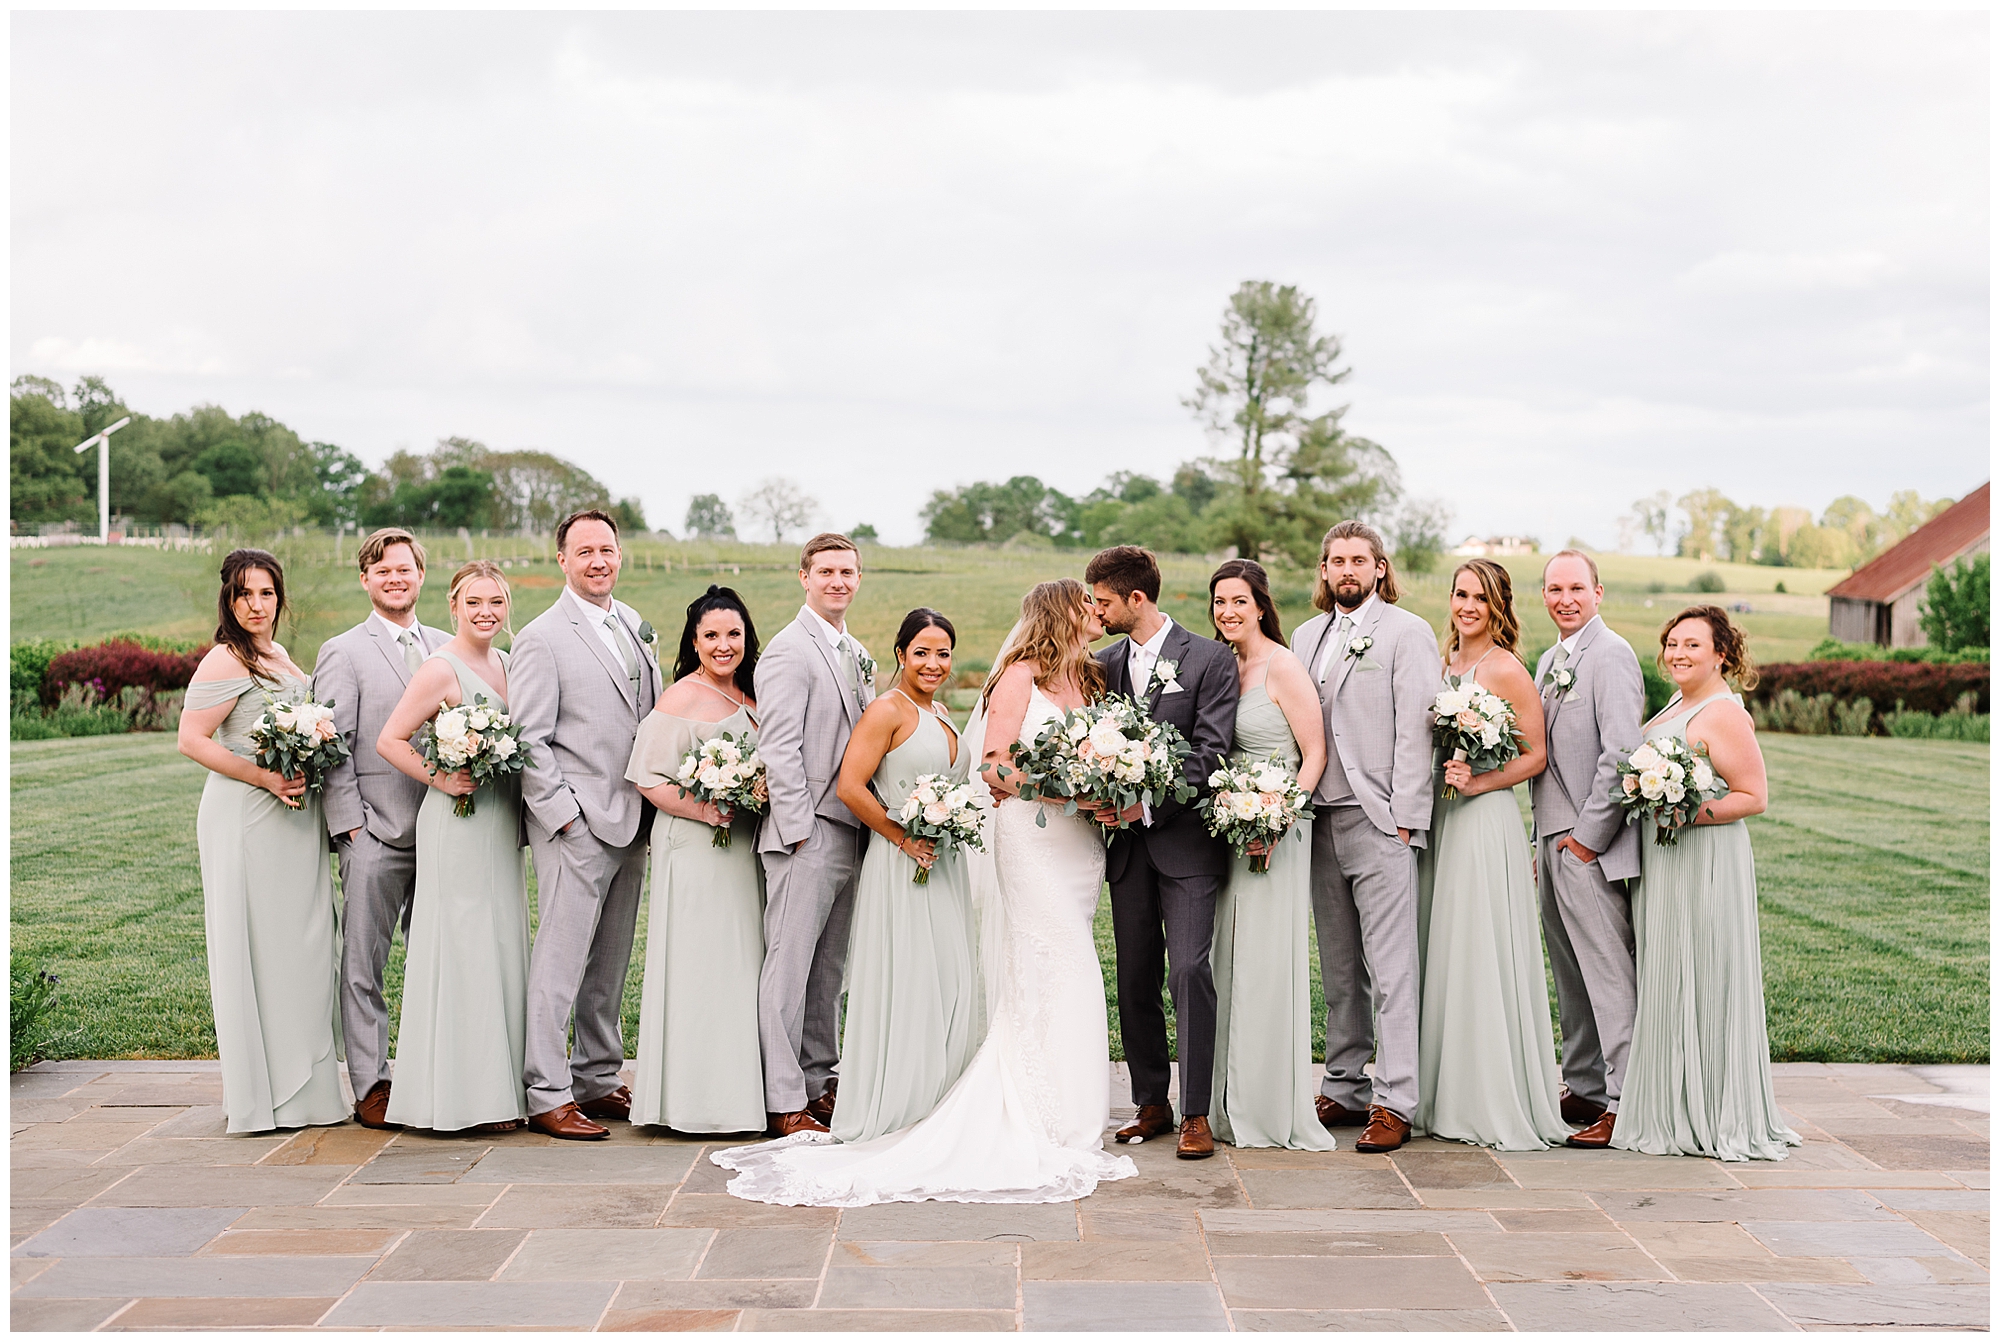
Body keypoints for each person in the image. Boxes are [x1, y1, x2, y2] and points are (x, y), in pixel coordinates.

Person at [712, 579, 1137, 1206]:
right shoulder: (1003, 681)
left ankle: (1059, 1103)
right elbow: (988, 766)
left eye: (943, 653)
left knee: (1052, 970)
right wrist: (1064, 793)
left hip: (1071, 846)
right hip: (1015, 840)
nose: (1098, 613)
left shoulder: (1089, 680)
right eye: (1086, 605)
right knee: (1055, 960)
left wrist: (1114, 787)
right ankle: (1020, 1107)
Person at [1613, 607, 1800, 1163]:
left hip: (1705, 864)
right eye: (1672, 643)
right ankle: (1672, 1103)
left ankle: (1711, 1110)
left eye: (1692, 644)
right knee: (1670, 975)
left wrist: (1685, 811)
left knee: (1705, 974)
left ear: (1722, 653)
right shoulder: (1679, 701)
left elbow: (1752, 797)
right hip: (1669, 864)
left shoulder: (1722, 713)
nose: (1678, 653)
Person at [178, 549, 347, 1134]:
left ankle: (305, 1088)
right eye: (245, 594)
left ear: (280, 598)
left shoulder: (276, 655)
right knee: (260, 947)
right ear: (229, 600)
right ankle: (266, 1095)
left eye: (267, 593)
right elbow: (192, 740)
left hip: (293, 820)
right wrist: (266, 778)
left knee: (302, 947)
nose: (256, 604)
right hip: (248, 815)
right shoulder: (226, 659)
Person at [509, 509, 662, 1140]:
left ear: (620, 555)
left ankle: (597, 1077)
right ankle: (546, 1091)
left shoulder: (632, 624)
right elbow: (529, 738)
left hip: (633, 818)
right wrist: (565, 817)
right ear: (563, 561)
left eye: (607, 549)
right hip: (576, 823)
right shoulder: (543, 637)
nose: (598, 561)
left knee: (611, 959)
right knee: (562, 958)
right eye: (585, 552)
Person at [1291, 520, 1442, 1154]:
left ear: (1380, 569)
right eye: (1336, 561)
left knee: (1392, 967)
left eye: (1360, 560)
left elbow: (1418, 727)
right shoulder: (1304, 636)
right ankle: (1345, 1083)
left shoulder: (1408, 633)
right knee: (1340, 966)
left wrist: (1407, 813)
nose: (1347, 570)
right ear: (1324, 571)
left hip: (1379, 817)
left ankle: (1397, 1098)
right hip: (1316, 821)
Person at [1087, 545, 1238, 1160]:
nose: (1096, 614)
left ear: (1136, 600)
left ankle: (1197, 1111)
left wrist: (1145, 806)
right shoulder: (1103, 664)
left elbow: (1211, 753)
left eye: (1103, 603)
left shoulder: (1208, 659)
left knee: (1189, 971)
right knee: (1135, 975)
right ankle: (1151, 1100)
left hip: (1186, 846)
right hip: (1126, 852)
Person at [1413, 559, 1568, 1150]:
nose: (1467, 606)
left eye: (1480, 597)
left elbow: (1536, 755)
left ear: (1499, 604)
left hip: (1482, 819)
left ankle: (1483, 1094)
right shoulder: (1439, 661)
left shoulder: (1506, 669)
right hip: (1439, 814)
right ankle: (1435, 1088)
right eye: (1460, 594)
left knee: (1476, 945)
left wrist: (1480, 779)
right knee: (1440, 943)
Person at [374, 561, 528, 1135]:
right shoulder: (440, 669)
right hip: (457, 822)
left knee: (500, 944)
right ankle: (456, 1098)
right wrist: (440, 778)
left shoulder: (509, 665)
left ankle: (499, 1091)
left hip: (499, 823)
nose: (486, 611)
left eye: (496, 601)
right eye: (474, 602)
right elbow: (389, 738)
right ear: (454, 606)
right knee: (461, 949)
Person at [311, 528, 448, 1129]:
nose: (395, 579)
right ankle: (371, 1083)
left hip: (448, 833)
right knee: (364, 963)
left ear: (422, 576)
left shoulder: (449, 645)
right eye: (382, 570)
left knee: (438, 957)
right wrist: (352, 830)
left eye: (405, 569)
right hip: (376, 832)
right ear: (365, 580)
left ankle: (430, 1071)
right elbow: (333, 747)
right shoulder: (343, 651)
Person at [827, 608, 980, 1143]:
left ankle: (940, 1094)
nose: (934, 663)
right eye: (922, 652)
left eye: (943, 653)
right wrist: (903, 837)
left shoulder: (938, 710)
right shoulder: (887, 710)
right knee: (911, 976)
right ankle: (901, 1100)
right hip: (902, 865)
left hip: (944, 867)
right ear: (900, 654)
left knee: (946, 977)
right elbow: (850, 786)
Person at [624, 586, 768, 1135]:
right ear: (694, 641)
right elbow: (647, 776)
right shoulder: (681, 696)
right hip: (697, 848)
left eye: (733, 634)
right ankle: (692, 1100)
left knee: (741, 965)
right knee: (701, 965)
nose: (724, 645)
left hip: (744, 850)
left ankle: (738, 1093)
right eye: (711, 635)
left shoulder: (755, 694)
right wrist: (706, 812)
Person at [1205, 560, 1336, 1152]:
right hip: (1229, 829)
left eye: (1238, 601)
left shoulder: (1283, 666)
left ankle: (1266, 1103)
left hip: (1278, 831)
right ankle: (1223, 1102)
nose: (1228, 612)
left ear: (1261, 606)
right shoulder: (1219, 666)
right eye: (1219, 602)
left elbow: (1314, 754)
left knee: (1265, 962)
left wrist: (1280, 816)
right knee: (1225, 958)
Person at [754, 534, 876, 1137]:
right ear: (804, 577)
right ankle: (783, 1100)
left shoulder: (855, 650)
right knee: (789, 968)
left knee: (830, 970)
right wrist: (798, 831)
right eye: (825, 571)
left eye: (847, 571)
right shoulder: (787, 651)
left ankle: (818, 1080)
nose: (837, 581)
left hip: (851, 830)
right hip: (807, 836)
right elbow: (778, 748)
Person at [1531, 550, 1645, 1150]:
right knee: (1568, 971)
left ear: (1598, 593)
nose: (1565, 598)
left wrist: (1584, 841)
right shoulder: (1550, 661)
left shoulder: (1613, 655)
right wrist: (1542, 840)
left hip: (1589, 846)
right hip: (1550, 838)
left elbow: (1621, 754)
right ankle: (1584, 1084)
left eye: (1577, 587)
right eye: (1555, 588)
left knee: (1606, 970)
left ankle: (1626, 1099)